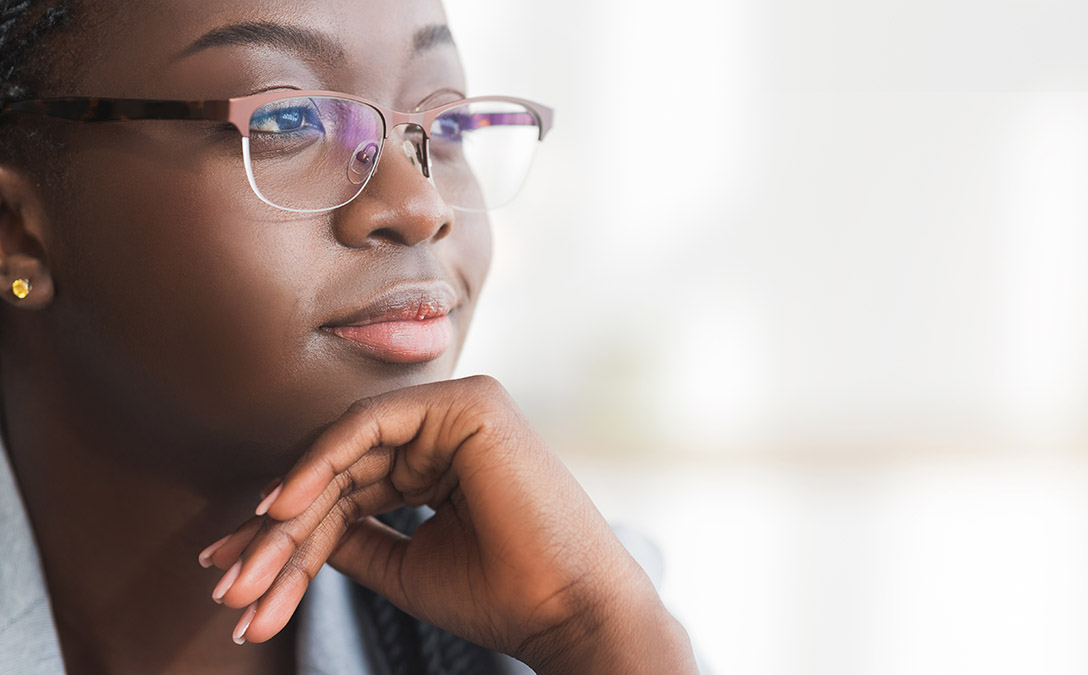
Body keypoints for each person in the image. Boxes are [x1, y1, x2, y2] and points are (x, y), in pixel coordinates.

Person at [0, 0, 702, 673]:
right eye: (287, 118)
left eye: (444, 125)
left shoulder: (570, 607)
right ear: (16, 229)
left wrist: (594, 639)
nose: (419, 205)